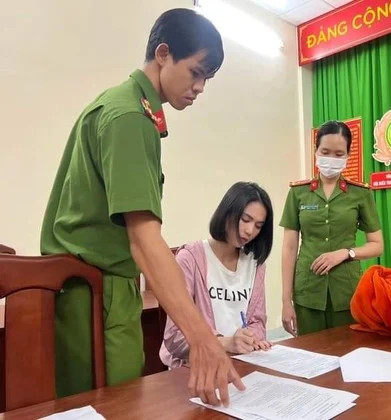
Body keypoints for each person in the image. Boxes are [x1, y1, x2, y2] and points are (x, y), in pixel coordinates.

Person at [40, 8, 243, 406]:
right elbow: (144, 239)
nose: (200, 87)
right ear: (164, 53)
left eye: (208, 79)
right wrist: (203, 338)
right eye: (197, 72)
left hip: (98, 288)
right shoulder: (130, 116)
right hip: (97, 293)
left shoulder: (126, 107)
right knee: (109, 405)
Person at [280, 120, 384, 336]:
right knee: (309, 358)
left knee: (347, 353)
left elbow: (377, 245)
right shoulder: (298, 193)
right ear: (316, 151)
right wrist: (285, 300)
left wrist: (346, 253)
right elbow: (289, 248)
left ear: (347, 156)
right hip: (308, 291)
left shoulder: (360, 194)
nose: (331, 159)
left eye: (339, 154)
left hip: (346, 291)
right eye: (325, 152)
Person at [160, 182, 273, 368]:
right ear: (228, 212)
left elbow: (257, 323)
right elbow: (175, 337)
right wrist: (225, 343)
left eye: (258, 226)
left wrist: (251, 339)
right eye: (245, 219)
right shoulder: (189, 259)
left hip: (239, 365)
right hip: (196, 369)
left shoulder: (255, 265)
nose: (250, 231)